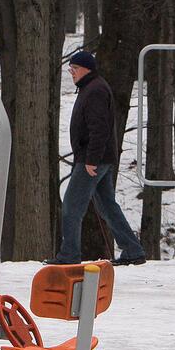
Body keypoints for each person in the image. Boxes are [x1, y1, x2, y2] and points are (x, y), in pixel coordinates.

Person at [45, 51, 146, 266]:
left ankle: (69, 254)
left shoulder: (95, 90)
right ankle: (132, 250)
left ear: (86, 69)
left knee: (72, 206)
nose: (71, 73)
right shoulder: (90, 88)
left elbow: (99, 129)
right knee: (107, 206)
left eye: (75, 69)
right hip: (99, 158)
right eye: (70, 69)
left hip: (93, 160)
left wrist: (91, 160)